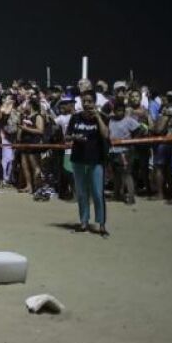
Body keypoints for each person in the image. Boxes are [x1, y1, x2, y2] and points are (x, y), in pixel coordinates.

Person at [66, 90, 110, 236]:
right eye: (84, 101)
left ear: (95, 102)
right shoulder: (75, 117)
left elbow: (105, 134)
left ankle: (101, 224)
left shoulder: (102, 117)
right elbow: (67, 136)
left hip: (96, 160)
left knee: (97, 193)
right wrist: (74, 137)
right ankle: (84, 222)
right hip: (78, 159)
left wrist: (98, 117)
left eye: (90, 101)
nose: (86, 104)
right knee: (81, 193)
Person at [108, 100, 143, 204]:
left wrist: (132, 141)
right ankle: (117, 194)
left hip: (124, 151)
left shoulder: (129, 120)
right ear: (114, 111)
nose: (120, 112)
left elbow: (139, 129)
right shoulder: (110, 120)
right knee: (116, 174)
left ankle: (131, 197)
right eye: (117, 110)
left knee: (127, 174)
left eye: (121, 110)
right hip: (113, 150)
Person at [17, 97, 45, 193]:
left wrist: (26, 129)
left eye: (27, 104)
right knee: (24, 165)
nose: (25, 106)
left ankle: (37, 187)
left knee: (35, 166)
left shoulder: (38, 116)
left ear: (31, 105)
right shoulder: (26, 117)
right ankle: (29, 186)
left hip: (33, 143)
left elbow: (40, 130)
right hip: (24, 143)